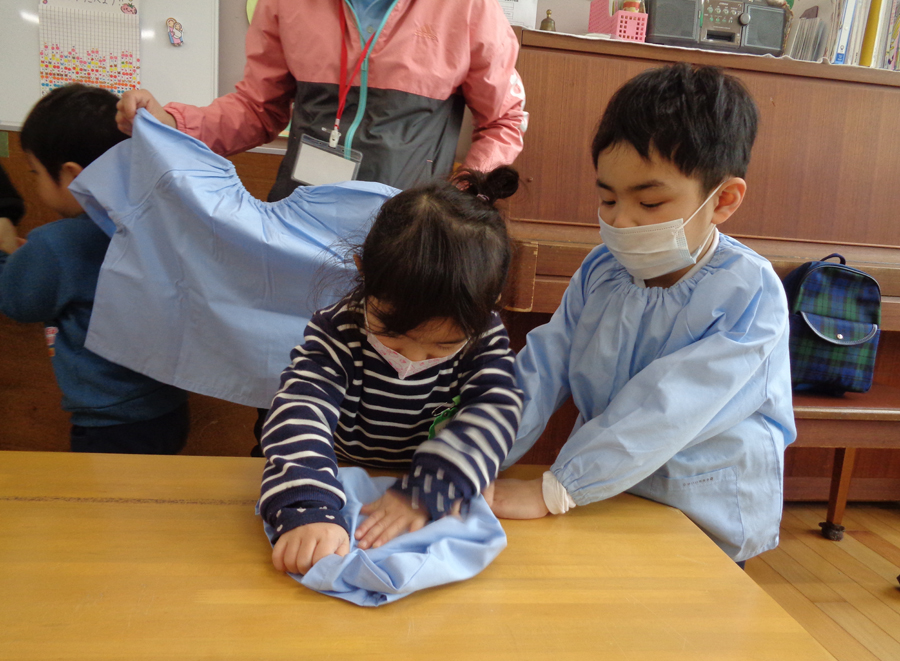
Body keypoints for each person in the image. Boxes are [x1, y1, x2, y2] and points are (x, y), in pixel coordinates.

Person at [490, 64, 796, 564]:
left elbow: (669, 406)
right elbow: (542, 368)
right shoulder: (602, 271)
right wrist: (478, 451)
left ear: (723, 200)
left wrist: (560, 486)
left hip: (699, 510)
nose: (621, 220)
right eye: (607, 198)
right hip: (603, 491)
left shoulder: (748, 292)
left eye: (650, 203)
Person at [260, 166, 524, 575]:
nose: (412, 359)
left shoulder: (483, 336)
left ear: (486, 306)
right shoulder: (339, 329)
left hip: (424, 482)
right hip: (339, 475)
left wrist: (431, 489)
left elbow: (495, 411)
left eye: (442, 346)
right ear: (363, 272)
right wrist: (308, 505)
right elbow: (300, 410)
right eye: (392, 335)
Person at [115, 0, 527, 198]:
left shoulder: (470, 8)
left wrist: (459, 197)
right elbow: (257, 108)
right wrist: (173, 124)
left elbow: (503, 122)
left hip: (405, 238)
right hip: (299, 218)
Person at [0, 84, 189, 454]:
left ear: (72, 175)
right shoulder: (156, 223)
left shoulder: (56, 244)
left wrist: (6, 254)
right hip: (169, 409)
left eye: (35, 173)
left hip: (108, 424)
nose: (35, 182)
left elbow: (16, 300)